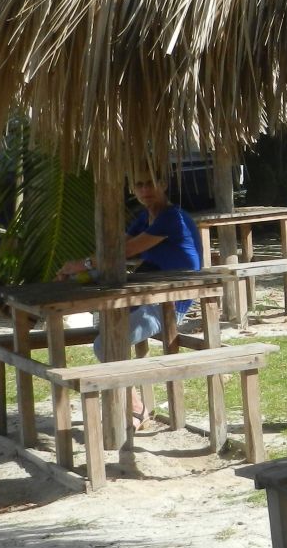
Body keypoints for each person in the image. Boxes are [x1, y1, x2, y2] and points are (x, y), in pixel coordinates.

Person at [55, 173, 203, 426]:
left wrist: (81, 264)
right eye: (139, 184)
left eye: (150, 183)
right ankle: (127, 403)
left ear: (163, 184)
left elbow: (127, 250)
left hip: (168, 304)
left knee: (105, 345)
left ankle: (136, 409)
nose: (145, 190)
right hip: (144, 294)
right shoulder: (144, 218)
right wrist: (77, 271)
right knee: (105, 329)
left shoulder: (172, 217)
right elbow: (113, 249)